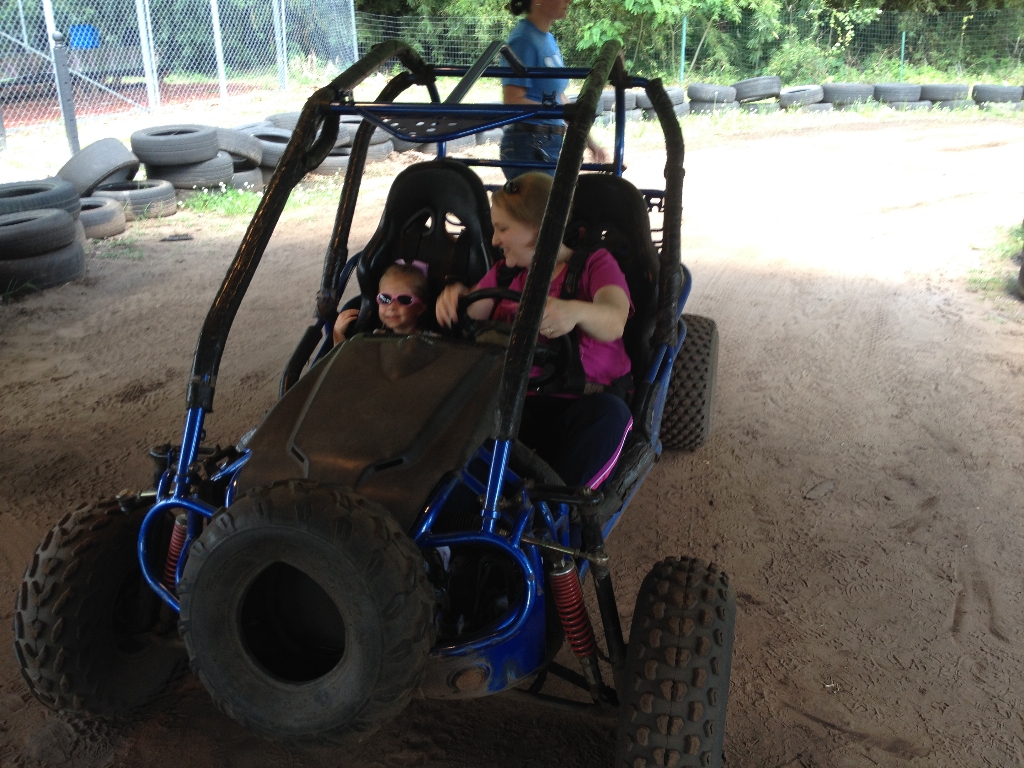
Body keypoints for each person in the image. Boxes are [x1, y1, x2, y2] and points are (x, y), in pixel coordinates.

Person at [436, 172, 633, 488]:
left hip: (580, 403)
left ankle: (562, 509)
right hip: (514, 405)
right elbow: (470, 313)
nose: (494, 240)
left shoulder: (594, 264)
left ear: (542, 228)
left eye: (502, 229)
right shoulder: (504, 275)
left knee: (611, 415)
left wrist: (575, 311)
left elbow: (614, 320)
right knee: (457, 414)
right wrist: (456, 296)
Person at [501, 0, 608, 179]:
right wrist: (558, 112)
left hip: (546, 142)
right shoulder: (523, 40)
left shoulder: (547, 38)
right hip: (529, 143)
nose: (569, 1)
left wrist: (589, 141)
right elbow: (513, 100)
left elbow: (558, 97)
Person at [333, 261, 431, 343]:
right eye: (385, 298)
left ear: (420, 307)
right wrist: (338, 334)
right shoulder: (374, 338)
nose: (391, 307)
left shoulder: (432, 342)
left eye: (404, 299)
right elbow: (347, 359)